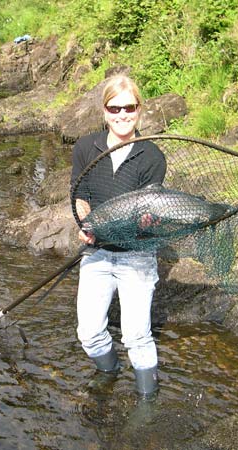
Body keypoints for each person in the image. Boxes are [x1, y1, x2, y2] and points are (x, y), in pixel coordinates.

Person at [70, 74, 167, 398]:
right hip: (96, 254)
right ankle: (109, 371)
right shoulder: (86, 147)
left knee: (136, 336)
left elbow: (147, 209)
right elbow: (80, 195)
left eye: (129, 107)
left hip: (136, 255)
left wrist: (147, 220)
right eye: (115, 108)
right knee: (89, 333)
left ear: (140, 109)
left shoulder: (152, 156)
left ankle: (146, 402)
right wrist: (86, 226)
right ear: (104, 110)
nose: (122, 115)